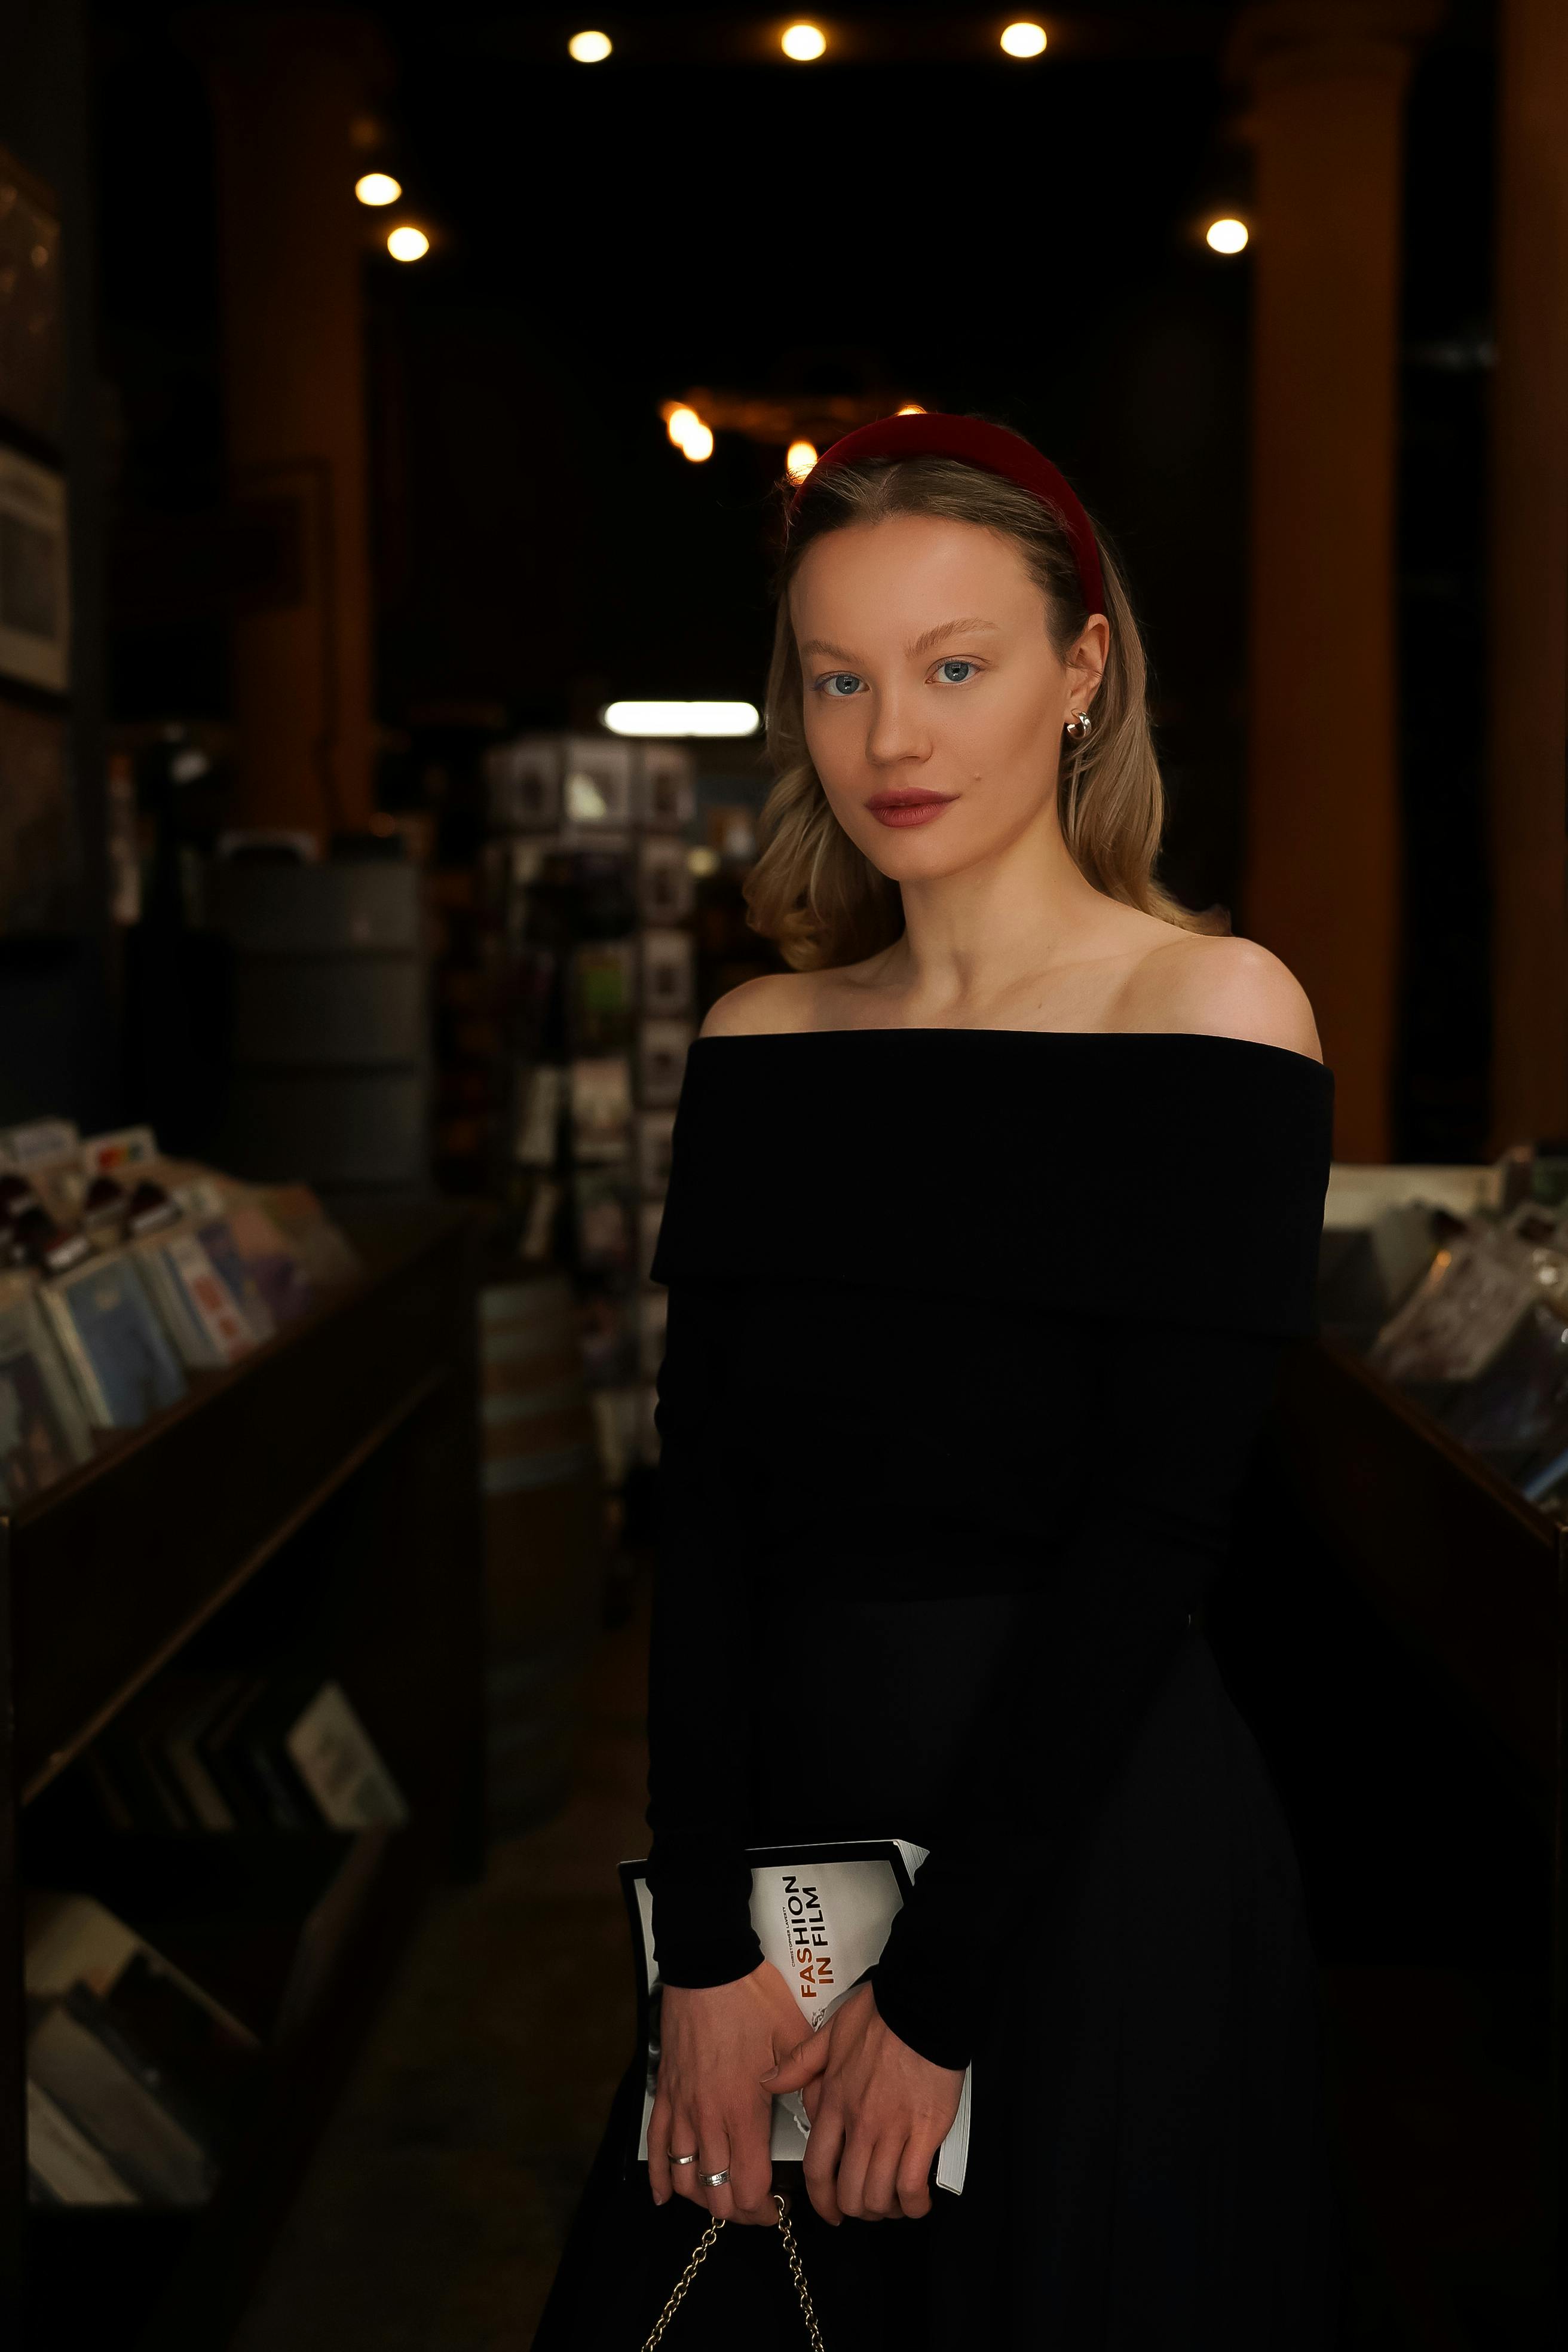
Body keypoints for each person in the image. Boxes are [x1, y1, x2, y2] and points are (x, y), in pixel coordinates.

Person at [535, 412, 1339, 2348]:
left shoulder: (1212, 1006)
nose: (891, 737)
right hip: (796, 1858)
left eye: (954, 667)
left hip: (1091, 1854)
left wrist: (947, 1990)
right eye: (840, 678)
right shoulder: (764, 1035)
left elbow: (1158, 1535)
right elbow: (709, 1517)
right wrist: (705, 1953)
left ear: (1083, 672)